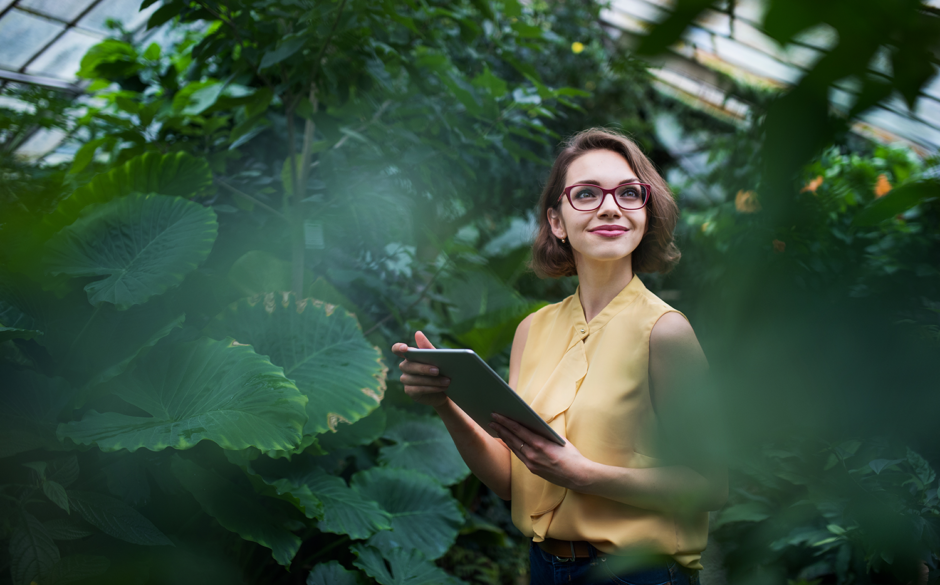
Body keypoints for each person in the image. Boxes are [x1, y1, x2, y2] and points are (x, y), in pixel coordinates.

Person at [392, 128, 727, 585]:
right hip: (545, 568)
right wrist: (444, 403)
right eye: (586, 194)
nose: (610, 206)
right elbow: (511, 480)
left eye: (629, 193)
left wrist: (585, 475)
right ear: (556, 221)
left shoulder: (665, 331)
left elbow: (711, 486)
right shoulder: (533, 329)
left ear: (645, 212)